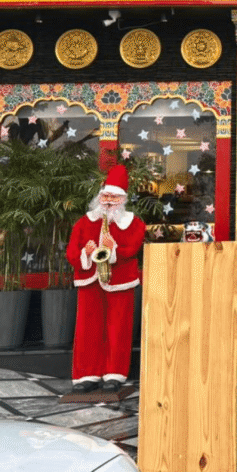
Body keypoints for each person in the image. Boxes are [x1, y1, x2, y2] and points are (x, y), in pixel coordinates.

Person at [66, 164, 146, 394]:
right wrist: (87, 253)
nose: (109, 200)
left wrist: (114, 249)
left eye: (114, 196)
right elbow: (72, 251)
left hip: (120, 280)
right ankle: (86, 374)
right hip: (89, 280)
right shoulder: (84, 222)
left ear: (122, 199)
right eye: (106, 195)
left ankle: (114, 374)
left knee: (118, 328)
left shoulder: (133, 222)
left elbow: (132, 247)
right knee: (87, 328)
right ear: (100, 196)